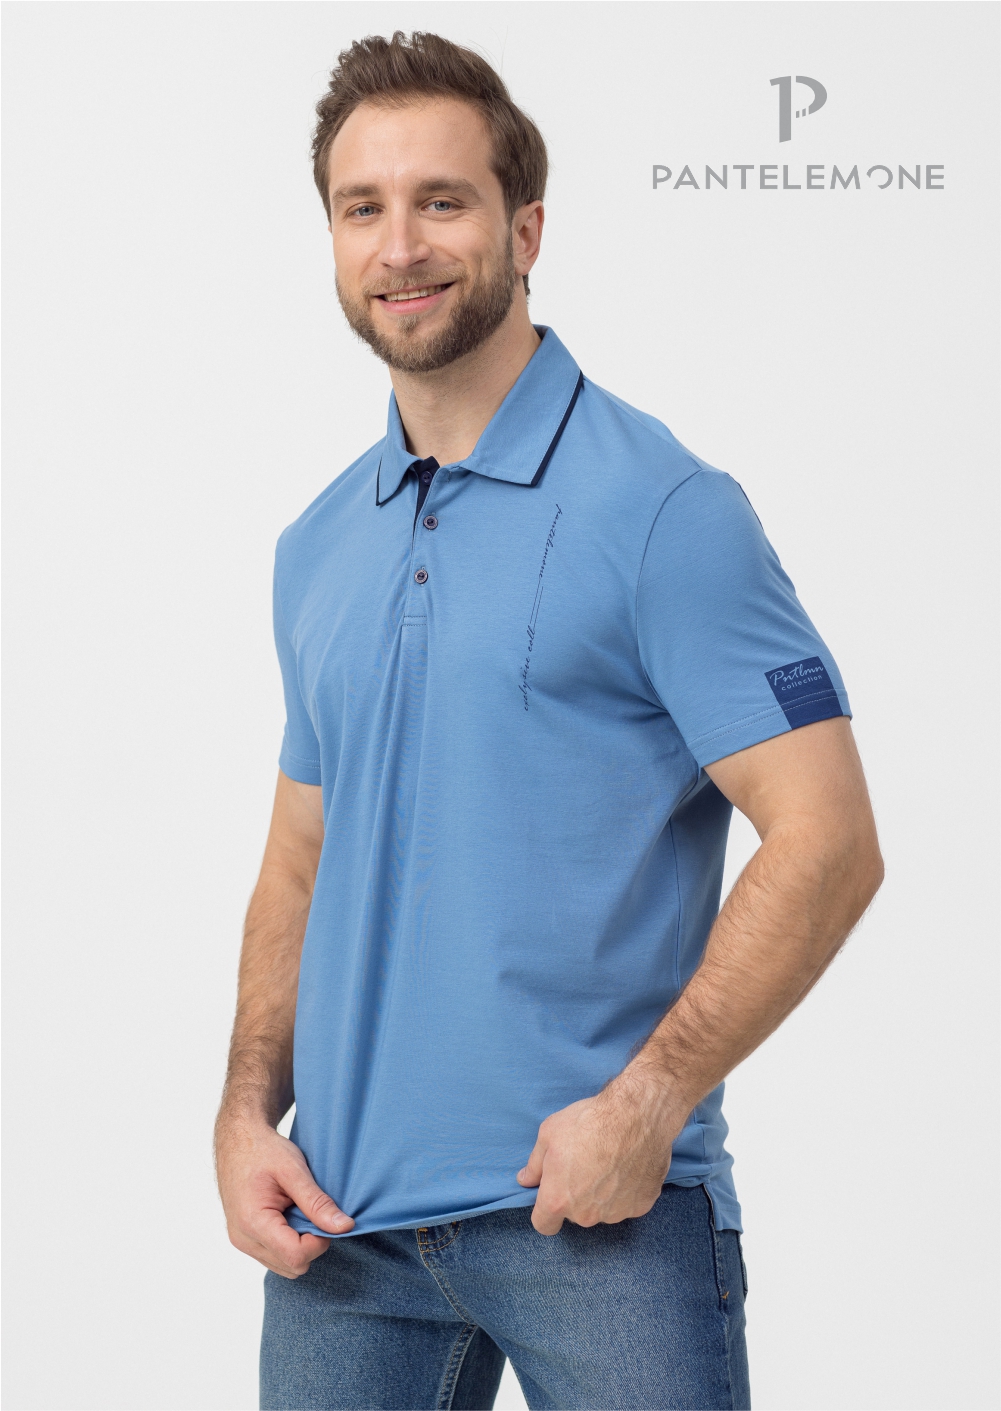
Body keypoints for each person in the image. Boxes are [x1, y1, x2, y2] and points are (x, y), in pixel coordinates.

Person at [214, 30, 883, 1411]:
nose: (401, 245)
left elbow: (827, 839)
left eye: (441, 201)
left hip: (597, 1219)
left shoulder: (665, 510)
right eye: (362, 208)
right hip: (340, 1234)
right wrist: (242, 1112)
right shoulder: (315, 546)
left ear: (525, 229)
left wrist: (647, 1104)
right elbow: (299, 860)